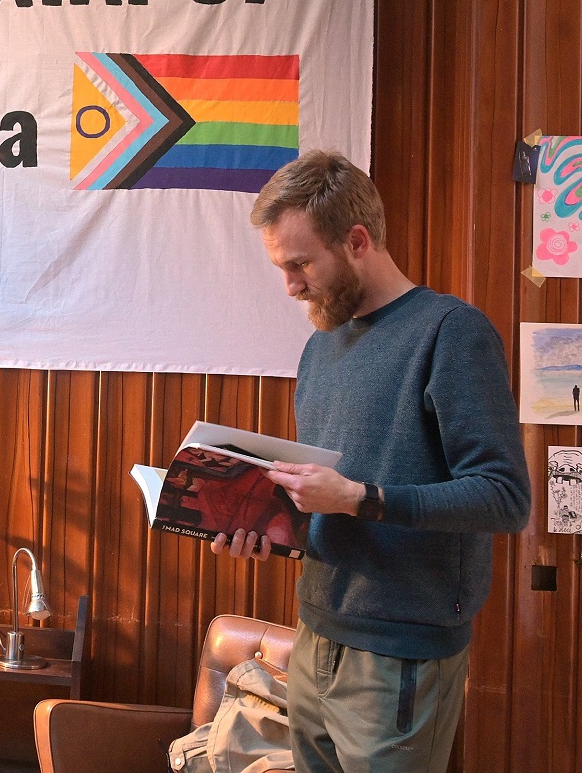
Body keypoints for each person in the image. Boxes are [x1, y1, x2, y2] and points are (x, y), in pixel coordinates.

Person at [212, 150, 531, 773]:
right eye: (281, 267)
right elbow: (328, 501)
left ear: (357, 241)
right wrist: (266, 528)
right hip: (314, 637)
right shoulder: (319, 349)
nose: (291, 286)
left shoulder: (451, 333)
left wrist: (360, 497)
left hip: (401, 654)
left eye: (301, 263)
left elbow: (504, 496)